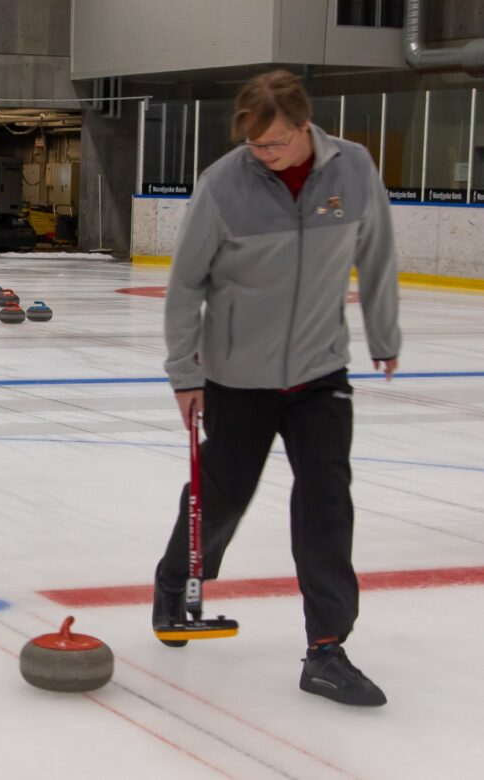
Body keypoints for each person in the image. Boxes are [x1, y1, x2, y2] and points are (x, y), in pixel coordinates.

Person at [152, 69, 401, 707]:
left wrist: (384, 333)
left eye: (277, 143)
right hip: (238, 379)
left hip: (321, 372)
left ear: (303, 125)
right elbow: (185, 286)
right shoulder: (224, 185)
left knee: (326, 504)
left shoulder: (353, 169)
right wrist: (186, 371)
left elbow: (375, 253)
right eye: (257, 145)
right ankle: (177, 582)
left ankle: (326, 649)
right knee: (225, 496)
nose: (266, 155)